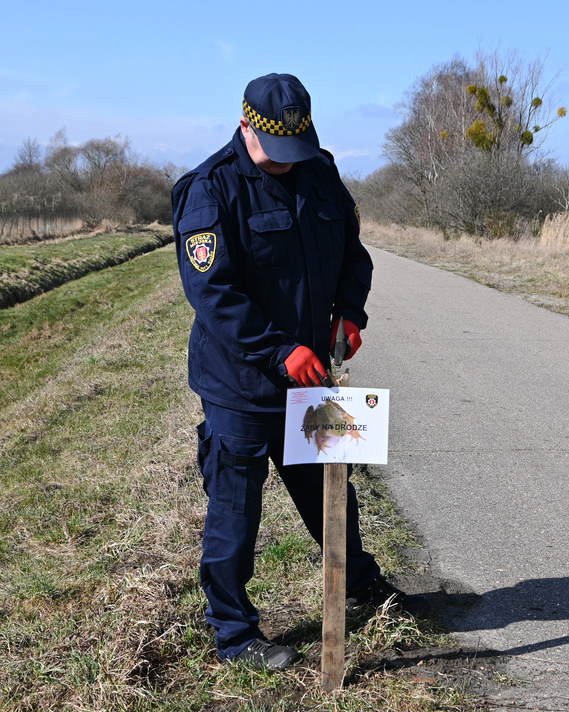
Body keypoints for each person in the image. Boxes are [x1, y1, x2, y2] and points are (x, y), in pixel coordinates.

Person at [171, 73, 404, 671]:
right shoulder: (210, 190)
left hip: (313, 378)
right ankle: (234, 632)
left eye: (295, 153)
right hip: (241, 384)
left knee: (332, 492)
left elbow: (353, 252)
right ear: (246, 127)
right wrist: (277, 351)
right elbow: (213, 294)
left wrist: (350, 311)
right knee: (235, 507)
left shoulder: (319, 171)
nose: (286, 166)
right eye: (277, 155)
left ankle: (360, 585)